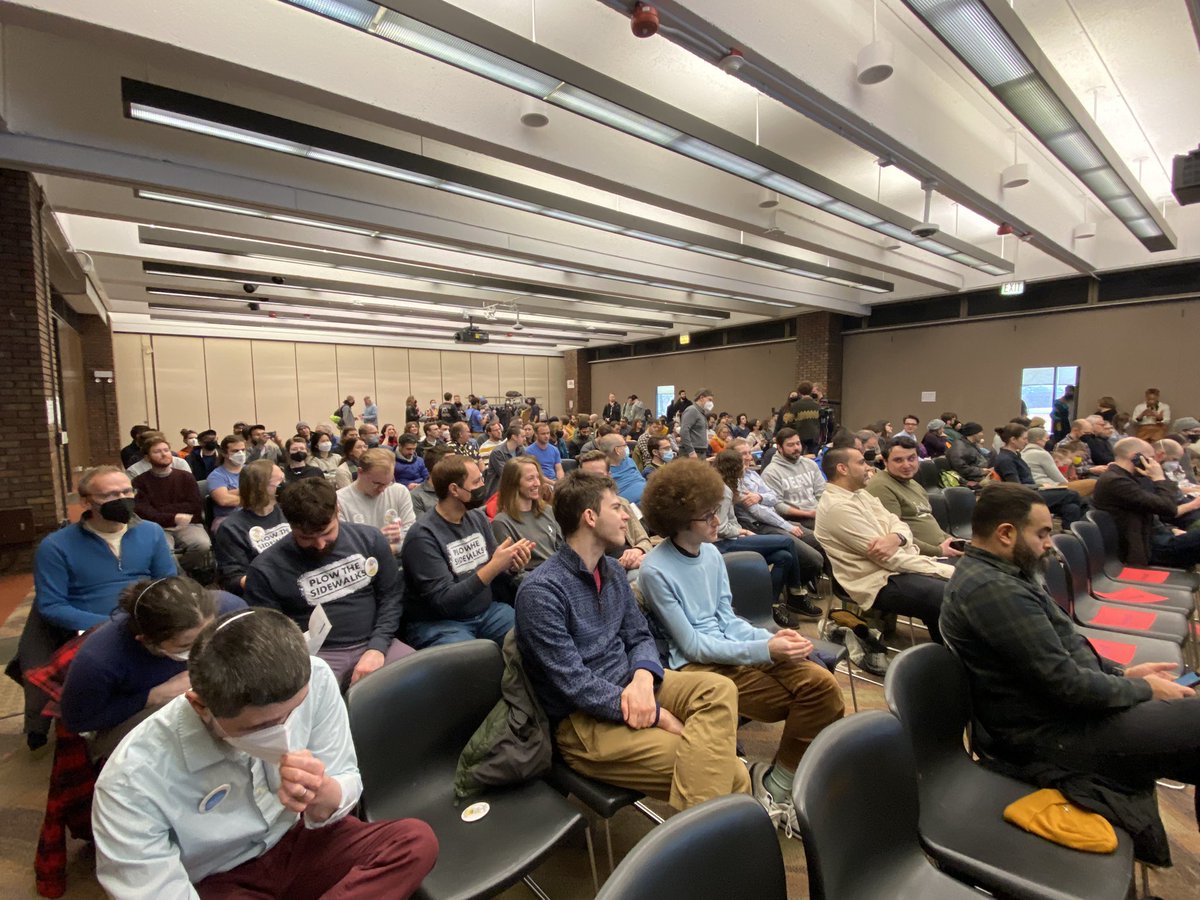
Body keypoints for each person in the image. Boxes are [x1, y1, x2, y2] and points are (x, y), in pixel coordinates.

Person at [92, 607, 437, 897]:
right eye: (258, 728)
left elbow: (344, 779)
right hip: (222, 878)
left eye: (293, 712)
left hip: (300, 841)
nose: (283, 732)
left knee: (415, 842)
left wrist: (322, 793)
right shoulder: (130, 780)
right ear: (200, 706)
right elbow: (157, 892)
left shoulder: (313, 677)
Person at [939, 484, 1200, 854]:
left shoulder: (1005, 574)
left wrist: (1124, 675)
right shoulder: (992, 590)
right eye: (1042, 533)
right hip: (1047, 736)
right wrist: (1146, 691)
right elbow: (1067, 684)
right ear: (1006, 534)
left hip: (1061, 715)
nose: (1050, 543)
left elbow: (1064, 653)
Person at [515, 470, 750, 810]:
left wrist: (642, 677)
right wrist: (659, 716)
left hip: (633, 685)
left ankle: (703, 840)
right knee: (730, 774)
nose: (627, 514)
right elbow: (573, 683)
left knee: (720, 689)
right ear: (590, 517)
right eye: (617, 508)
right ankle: (704, 850)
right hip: (583, 723)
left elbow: (639, 634)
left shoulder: (611, 572)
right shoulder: (541, 591)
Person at [638, 461, 843, 836]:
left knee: (823, 687)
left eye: (716, 510)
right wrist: (767, 652)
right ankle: (776, 786)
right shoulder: (656, 569)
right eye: (707, 515)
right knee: (810, 698)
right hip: (696, 668)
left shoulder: (712, 554)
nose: (718, 520)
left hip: (733, 650)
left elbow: (728, 619)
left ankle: (774, 784)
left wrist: (770, 640)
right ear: (680, 519)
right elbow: (693, 644)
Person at [245, 478, 412, 689]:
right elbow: (270, 634)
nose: (319, 544)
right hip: (316, 655)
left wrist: (377, 647)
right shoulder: (265, 569)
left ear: (338, 511)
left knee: (422, 682)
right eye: (306, 537)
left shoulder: (369, 539)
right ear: (290, 524)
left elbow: (391, 596)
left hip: (377, 640)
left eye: (326, 533)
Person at [61, 577, 244, 759]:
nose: (201, 647)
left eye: (210, 633)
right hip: (130, 717)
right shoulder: (98, 660)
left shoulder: (230, 608)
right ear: (146, 641)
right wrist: (152, 696)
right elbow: (78, 721)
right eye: (185, 645)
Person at [815, 448, 953, 643]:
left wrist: (897, 537)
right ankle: (953, 660)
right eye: (862, 462)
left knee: (953, 584)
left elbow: (898, 523)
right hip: (874, 580)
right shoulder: (837, 508)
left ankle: (950, 651)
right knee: (947, 593)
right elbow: (888, 559)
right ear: (842, 469)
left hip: (895, 567)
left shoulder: (860, 494)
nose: (868, 467)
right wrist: (943, 569)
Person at [400, 456, 534, 648]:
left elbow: (495, 573)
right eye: (477, 481)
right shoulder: (422, 536)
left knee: (534, 631)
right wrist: (495, 566)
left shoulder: (476, 518)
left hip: (487, 612)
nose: (484, 485)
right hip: (441, 623)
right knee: (469, 661)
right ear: (454, 490)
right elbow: (443, 601)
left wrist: (511, 566)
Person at [708, 452, 822, 617]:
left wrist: (757, 500)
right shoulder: (724, 491)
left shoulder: (731, 486)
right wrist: (743, 531)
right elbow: (720, 527)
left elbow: (772, 498)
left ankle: (771, 605)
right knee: (787, 542)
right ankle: (797, 594)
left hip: (731, 536)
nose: (747, 467)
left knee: (784, 556)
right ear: (734, 468)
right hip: (722, 543)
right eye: (743, 464)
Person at [1092, 437, 1200, 568]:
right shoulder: (1116, 481)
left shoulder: (1129, 478)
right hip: (1146, 547)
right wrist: (1159, 478)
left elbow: (1153, 511)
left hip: (1154, 537)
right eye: (1151, 457)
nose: (1154, 463)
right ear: (1135, 457)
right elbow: (1169, 508)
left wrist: (1171, 529)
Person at [865, 436, 963, 558]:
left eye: (911, 459)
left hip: (940, 552)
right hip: (920, 558)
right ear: (885, 462)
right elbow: (894, 536)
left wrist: (952, 541)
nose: (907, 465)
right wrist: (938, 551)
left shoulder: (914, 484)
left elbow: (926, 520)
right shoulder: (881, 487)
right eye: (898, 460)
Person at [132, 433, 211, 577]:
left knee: (203, 545)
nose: (163, 454)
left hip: (188, 523)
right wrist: (174, 516)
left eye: (166, 450)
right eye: (157, 452)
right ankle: (181, 579)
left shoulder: (185, 476)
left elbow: (194, 506)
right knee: (163, 552)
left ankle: (179, 571)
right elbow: (145, 513)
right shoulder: (139, 482)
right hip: (158, 527)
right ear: (147, 457)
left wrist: (161, 510)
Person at [214, 461, 290, 595]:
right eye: (280, 482)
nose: (285, 485)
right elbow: (233, 579)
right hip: (263, 591)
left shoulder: (289, 512)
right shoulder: (232, 528)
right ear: (261, 487)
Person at [576, 451, 655, 575]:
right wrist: (622, 564)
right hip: (610, 571)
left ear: (609, 476)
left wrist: (638, 550)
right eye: (587, 477)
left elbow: (643, 539)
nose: (592, 482)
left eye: (598, 476)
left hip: (635, 561)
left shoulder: (622, 503)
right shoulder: (575, 510)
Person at [992, 424, 1084, 527]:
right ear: (1013, 439)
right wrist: (1041, 486)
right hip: (1023, 496)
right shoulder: (1006, 459)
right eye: (1024, 439)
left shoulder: (1015, 456)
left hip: (1032, 492)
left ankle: (1070, 536)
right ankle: (1087, 528)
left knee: (1072, 508)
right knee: (1073, 494)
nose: (1027, 442)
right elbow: (1016, 486)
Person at [491, 457, 563, 585]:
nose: (537, 483)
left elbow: (561, 549)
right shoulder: (502, 523)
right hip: (537, 583)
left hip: (559, 574)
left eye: (537, 477)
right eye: (530, 479)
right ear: (514, 483)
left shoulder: (547, 510)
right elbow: (513, 574)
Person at [337, 448, 417, 552]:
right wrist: (378, 539)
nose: (383, 489)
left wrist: (376, 546)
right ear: (360, 472)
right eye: (377, 483)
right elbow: (346, 546)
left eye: (388, 483)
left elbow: (411, 534)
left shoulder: (399, 491)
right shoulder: (339, 500)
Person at [762, 428, 825, 524]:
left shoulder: (810, 464)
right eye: (790, 445)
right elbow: (777, 505)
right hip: (794, 519)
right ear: (779, 448)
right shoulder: (771, 473)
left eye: (798, 443)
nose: (796, 448)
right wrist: (807, 513)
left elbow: (821, 492)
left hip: (818, 513)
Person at [1022, 427, 1095, 498]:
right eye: (1047, 438)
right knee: (1093, 483)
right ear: (1038, 440)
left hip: (1035, 487)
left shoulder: (1023, 453)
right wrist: (1071, 484)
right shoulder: (1042, 454)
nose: (1049, 440)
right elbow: (1058, 478)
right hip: (1047, 487)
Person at [208, 434, 248, 528]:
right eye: (235, 451)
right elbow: (224, 500)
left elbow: (264, 493)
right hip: (227, 519)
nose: (240, 453)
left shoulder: (251, 470)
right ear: (224, 453)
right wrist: (251, 495)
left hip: (252, 515)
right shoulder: (216, 475)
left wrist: (232, 492)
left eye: (243, 450)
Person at [597, 432, 646, 503]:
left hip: (650, 495)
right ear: (617, 450)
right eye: (625, 445)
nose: (627, 448)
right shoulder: (603, 471)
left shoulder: (628, 460)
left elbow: (641, 479)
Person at [410, 444, 455, 517]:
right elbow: (422, 526)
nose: (457, 466)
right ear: (436, 467)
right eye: (451, 462)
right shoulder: (417, 496)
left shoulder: (459, 490)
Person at [484, 422, 525, 498]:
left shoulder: (520, 449)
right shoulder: (498, 452)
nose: (525, 439)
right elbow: (506, 475)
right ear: (514, 437)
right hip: (499, 490)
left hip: (516, 486)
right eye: (522, 436)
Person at [779, 382, 822, 454]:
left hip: (800, 436)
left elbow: (787, 420)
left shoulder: (796, 405)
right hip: (815, 436)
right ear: (811, 390)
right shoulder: (817, 405)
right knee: (813, 456)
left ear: (799, 392)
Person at [679, 389, 714, 459]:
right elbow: (684, 431)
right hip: (692, 452)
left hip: (700, 452)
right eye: (709, 400)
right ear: (701, 398)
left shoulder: (701, 412)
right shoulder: (692, 410)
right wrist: (691, 451)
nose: (711, 403)